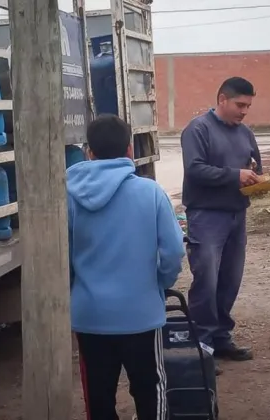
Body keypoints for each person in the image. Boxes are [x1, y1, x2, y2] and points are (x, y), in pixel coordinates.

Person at [67, 114, 186, 420]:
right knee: (150, 388)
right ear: (130, 149)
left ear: (88, 151)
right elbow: (173, 251)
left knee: (98, 393)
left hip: (89, 315)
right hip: (141, 314)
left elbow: (60, 257)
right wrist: (159, 282)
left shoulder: (67, 196)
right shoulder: (151, 192)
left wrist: (75, 289)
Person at [180, 76, 263, 373]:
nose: (244, 111)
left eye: (248, 106)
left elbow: (254, 165)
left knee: (230, 279)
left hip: (235, 215)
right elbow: (195, 169)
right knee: (207, 281)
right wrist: (234, 175)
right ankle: (200, 346)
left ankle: (220, 338)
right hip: (206, 216)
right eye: (240, 105)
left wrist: (256, 176)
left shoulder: (245, 133)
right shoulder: (198, 129)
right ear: (222, 99)